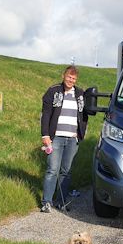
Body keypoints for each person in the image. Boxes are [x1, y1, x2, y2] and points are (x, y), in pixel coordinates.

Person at [40, 65, 88, 213]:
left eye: (73, 78)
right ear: (63, 76)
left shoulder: (80, 94)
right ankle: (47, 202)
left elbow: (85, 114)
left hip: (72, 139)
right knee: (52, 170)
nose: (70, 80)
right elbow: (46, 114)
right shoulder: (53, 91)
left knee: (66, 171)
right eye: (69, 77)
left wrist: (80, 134)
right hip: (56, 138)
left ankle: (61, 202)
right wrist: (45, 135)